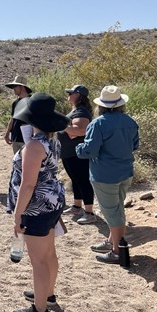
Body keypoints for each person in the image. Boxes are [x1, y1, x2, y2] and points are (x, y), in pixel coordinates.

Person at [6, 93, 69, 312]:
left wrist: (18, 213)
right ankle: (47, 294)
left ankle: (39, 310)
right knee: (48, 253)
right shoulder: (51, 138)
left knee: (38, 260)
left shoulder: (34, 146)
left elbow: (28, 184)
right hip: (51, 202)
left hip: (36, 207)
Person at [76, 85, 139, 264]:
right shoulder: (130, 121)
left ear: (101, 105)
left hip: (105, 175)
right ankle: (112, 242)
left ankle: (117, 251)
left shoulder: (98, 123)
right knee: (117, 208)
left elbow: (89, 151)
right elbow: (134, 145)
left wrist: (78, 148)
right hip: (125, 171)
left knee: (112, 212)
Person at [59, 85, 96, 224]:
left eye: (71, 92)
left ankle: (89, 212)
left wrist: (60, 125)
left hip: (77, 153)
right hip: (70, 152)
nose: (68, 94)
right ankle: (77, 206)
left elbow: (80, 131)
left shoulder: (81, 111)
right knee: (75, 179)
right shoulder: (77, 110)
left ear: (79, 95)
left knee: (83, 180)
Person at [4, 75, 33, 154]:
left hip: (27, 139)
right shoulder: (15, 103)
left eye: (15, 87)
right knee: (17, 163)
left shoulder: (32, 101)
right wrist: (7, 134)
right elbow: (12, 119)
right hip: (15, 138)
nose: (13, 89)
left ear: (22, 87)